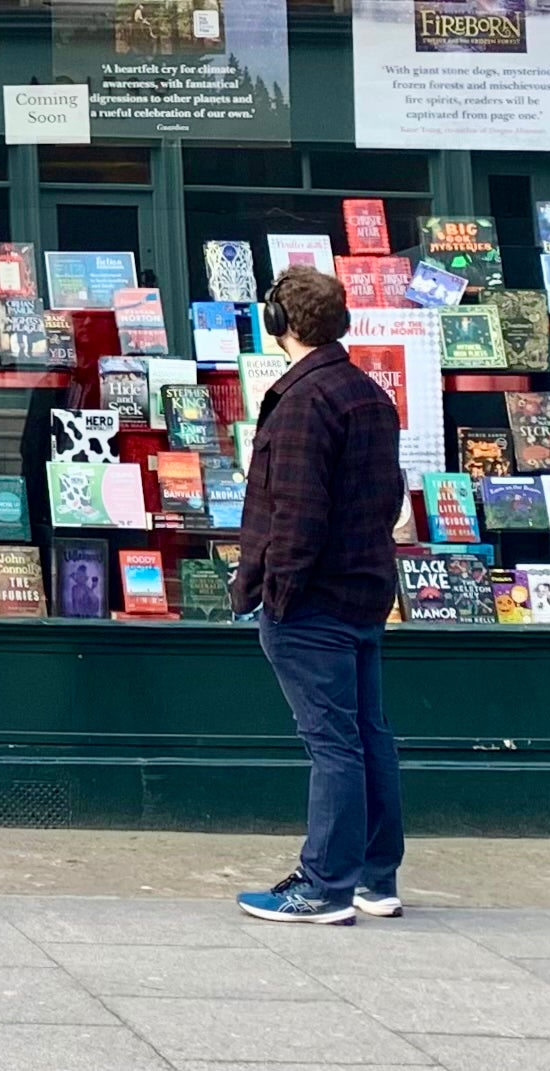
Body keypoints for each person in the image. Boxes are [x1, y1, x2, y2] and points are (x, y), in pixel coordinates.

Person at [231, 263, 408, 925]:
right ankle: (372, 876)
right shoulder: (367, 392)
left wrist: (275, 591)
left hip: (315, 601)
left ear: (281, 323)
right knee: (367, 735)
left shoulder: (304, 399)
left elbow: (297, 510)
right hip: (363, 590)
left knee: (334, 743)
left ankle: (324, 886)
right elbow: (387, 496)